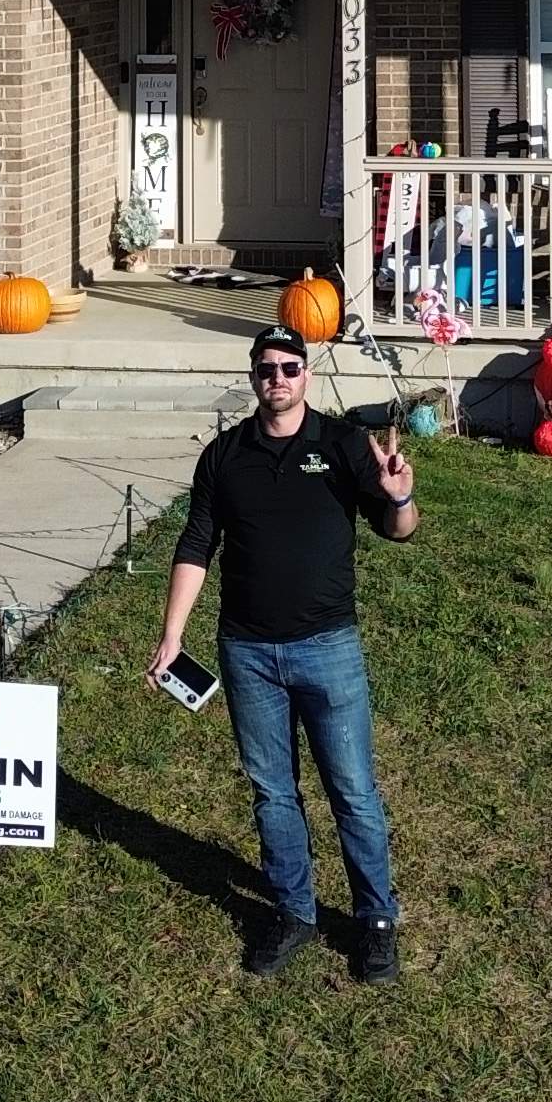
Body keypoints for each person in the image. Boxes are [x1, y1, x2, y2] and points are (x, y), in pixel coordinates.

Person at [149, 323, 417, 982]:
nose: (278, 378)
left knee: (352, 788)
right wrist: (173, 636)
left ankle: (375, 920)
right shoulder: (225, 455)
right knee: (272, 791)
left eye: (289, 367)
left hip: (329, 649)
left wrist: (399, 495)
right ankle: (294, 910)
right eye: (266, 368)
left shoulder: (343, 444)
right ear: (253, 376)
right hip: (247, 652)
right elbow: (195, 545)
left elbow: (398, 532)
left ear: (307, 374)